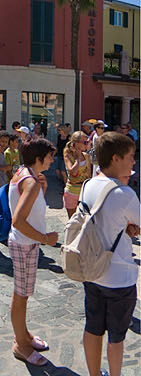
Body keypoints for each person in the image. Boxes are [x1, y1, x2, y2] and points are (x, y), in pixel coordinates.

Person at [79, 132, 140, 376]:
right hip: (119, 276)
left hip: (92, 271)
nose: (134, 162)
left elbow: (101, 221)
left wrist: (124, 225)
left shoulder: (88, 185)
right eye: (130, 157)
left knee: (93, 328)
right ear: (116, 159)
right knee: (117, 337)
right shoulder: (124, 194)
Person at [8, 138, 60, 366]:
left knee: (22, 294)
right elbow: (18, 220)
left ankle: (25, 336)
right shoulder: (31, 181)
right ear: (39, 158)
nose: (52, 160)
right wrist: (46, 239)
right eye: (49, 156)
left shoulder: (25, 174)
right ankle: (21, 344)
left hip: (25, 244)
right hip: (25, 244)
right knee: (21, 296)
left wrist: (41, 190)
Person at [67, 129, 97, 216]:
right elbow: (72, 172)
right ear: (76, 143)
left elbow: (89, 175)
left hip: (84, 191)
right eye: (85, 142)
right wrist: (77, 160)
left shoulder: (87, 156)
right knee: (72, 220)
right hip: (72, 190)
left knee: (84, 218)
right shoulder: (69, 156)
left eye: (87, 142)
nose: (87, 144)